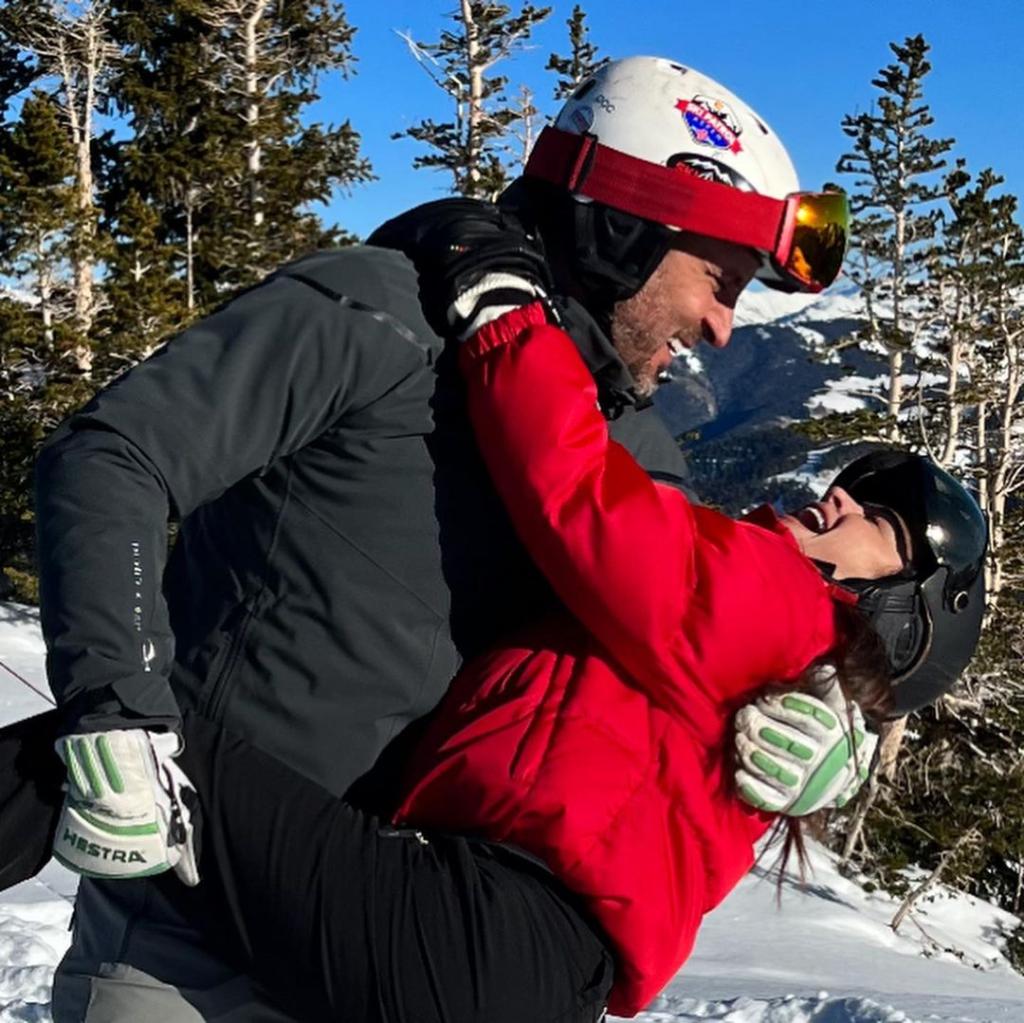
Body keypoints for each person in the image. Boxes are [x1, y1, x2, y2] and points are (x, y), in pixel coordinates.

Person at [29, 55, 873, 1021]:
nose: (725, 327)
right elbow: (115, 454)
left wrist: (817, 724)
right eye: (719, 281)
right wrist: (116, 702)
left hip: (395, 931)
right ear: (625, 230)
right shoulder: (380, 313)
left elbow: (690, 634)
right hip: (191, 937)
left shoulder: (634, 450)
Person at [82, 269, 984, 1022]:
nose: (838, 501)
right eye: (853, 488)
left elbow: (583, 493)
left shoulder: (776, 595)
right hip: (528, 969)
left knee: (138, 752)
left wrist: (504, 312)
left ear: (900, 608)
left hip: (480, 923)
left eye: (879, 522)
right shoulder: (780, 654)